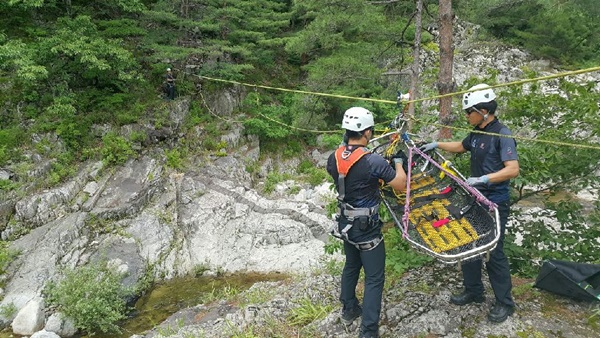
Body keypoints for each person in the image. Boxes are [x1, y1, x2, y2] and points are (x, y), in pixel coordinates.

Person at [419, 83, 519, 323]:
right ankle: (474, 291)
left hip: (494, 202)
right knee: (469, 244)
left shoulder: (502, 134)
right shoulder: (476, 132)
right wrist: (436, 145)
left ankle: (505, 303)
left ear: (483, 111)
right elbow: (461, 147)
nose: (466, 116)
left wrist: (485, 178)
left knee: (494, 251)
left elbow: (512, 169)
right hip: (475, 199)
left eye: (469, 111)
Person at [326, 107, 407, 338]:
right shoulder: (373, 161)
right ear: (367, 132)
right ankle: (368, 331)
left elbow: (352, 178)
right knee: (374, 278)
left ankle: (349, 308)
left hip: (346, 223)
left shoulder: (334, 157)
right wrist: (398, 163)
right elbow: (400, 184)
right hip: (366, 228)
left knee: (351, 265)